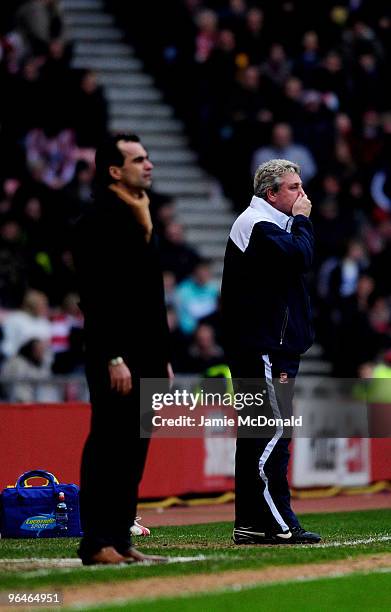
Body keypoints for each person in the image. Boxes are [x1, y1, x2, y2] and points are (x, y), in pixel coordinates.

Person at [72, 133, 171, 565]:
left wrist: (162, 355)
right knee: (109, 444)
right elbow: (97, 294)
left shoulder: (142, 215)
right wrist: (114, 355)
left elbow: (150, 297)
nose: (148, 165)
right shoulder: (100, 217)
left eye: (148, 158)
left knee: (134, 446)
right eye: (138, 159)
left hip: (146, 353)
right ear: (115, 170)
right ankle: (96, 541)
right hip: (116, 354)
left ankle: (120, 536)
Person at [221, 158, 321, 544]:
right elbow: (301, 257)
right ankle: (279, 523)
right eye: (294, 187)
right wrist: (302, 220)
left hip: (267, 346)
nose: (302, 194)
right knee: (272, 435)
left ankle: (250, 523)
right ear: (271, 193)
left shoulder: (270, 224)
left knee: (257, 437)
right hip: (262, 347)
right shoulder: (257, 224)